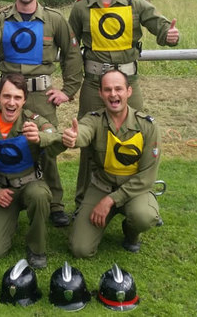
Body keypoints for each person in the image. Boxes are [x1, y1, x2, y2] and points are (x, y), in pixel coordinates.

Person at [0, 0, 83, 227]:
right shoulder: (2, 18)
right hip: (11, 95)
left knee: (46, 145)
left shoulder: (54, 19)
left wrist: (68, 90)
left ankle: (53, 203)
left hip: (42, 96)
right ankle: (6, 190)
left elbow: (72, 54)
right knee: (9, 141)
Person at [69, 0, 179, 209]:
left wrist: (170, 36)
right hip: (94, 85)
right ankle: (83, 201)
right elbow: (70, 47)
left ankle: (135, 200)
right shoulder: (81, 6)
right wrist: (70, 86)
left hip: (129, 84)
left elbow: (161, 27)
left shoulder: (135, 4)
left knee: (134, 136)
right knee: (87, 140)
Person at [62, 69, 161, 258]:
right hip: (101, 187)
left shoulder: (148, 126)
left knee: (143, 216)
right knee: (80, 249)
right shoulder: (93, 120)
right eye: (107, 90)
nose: (113, 94)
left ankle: (131, 233)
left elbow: (147, 177)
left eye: (118, 89)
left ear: (128, 92)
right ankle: (101, 217)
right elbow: (83, 132)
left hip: (134, 191)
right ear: (100, 93)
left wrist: (110, 201)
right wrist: (73, 138)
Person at [0, 74, 66, 269]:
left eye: (17, 98)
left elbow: (57, 138)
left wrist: (40, 137)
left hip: (30, 185)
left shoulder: (34, 121)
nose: (11, 102)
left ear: (24, 100)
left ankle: (36, 248)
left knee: (40, 195)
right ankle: (6, 222)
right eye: (6, 96)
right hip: (2, 190)